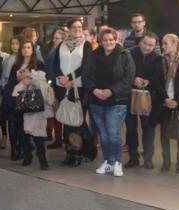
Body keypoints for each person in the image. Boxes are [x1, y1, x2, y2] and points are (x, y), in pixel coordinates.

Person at [83, 27, 135, 177]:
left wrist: (111, 91)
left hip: (117, 101)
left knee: (113, 133)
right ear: (101, 41)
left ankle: (116, 162)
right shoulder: (93, 55)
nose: (108, 42)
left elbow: (129, 78)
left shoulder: (124, 55)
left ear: (116, 40)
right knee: (104, 135)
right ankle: (108, 161)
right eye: (105, 40)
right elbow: (86, 76)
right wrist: (94, 90)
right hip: (96, 101)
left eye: (111, 39)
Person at [52, 18, 92, 166]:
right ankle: (69, 153)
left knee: (77, 122)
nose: (77, 29)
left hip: (78, 88)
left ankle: (78, 154)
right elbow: (55, 64)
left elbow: (86, 66)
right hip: (62, 87)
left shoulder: (86, 45)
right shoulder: (61, 45)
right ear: (69, 29)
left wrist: (69, 78)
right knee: (66, 122)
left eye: (79, 27)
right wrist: (61, 78)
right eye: (74, 27)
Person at [155, 34, 179, 173]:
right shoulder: (160, 61)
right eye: (162, 43)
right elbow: (157, 83)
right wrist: (166, 99)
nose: (163, 46)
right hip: (164, 102)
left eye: (166, 43)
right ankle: (166, 162)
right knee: (164, 134)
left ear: (175, 44)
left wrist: (177, 101)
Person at [125, 33, 162, 169]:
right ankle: (133, 157)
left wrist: (149, 81)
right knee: (131, 128)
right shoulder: (129, 54)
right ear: (141, 42)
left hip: (149, 97)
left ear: (155, 46)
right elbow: (123, 72)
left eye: (150, 45)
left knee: (148, 128)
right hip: (129, 96)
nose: (146, 47)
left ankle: (148, 158)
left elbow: (160, 78)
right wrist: (134, 78)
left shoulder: (158, 58)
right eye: (145, 43)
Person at [10, 40, 49, 168]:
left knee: (38, 130)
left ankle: (42, 158)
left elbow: (47, 81)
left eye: (28, 47)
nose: (26, 50)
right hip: (20, 100)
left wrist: (31, 78)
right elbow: (10, 83)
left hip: (35, 99)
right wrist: (19, 79)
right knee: (22, 130)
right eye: (24, 47)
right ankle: (27, 156)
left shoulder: (39, 64)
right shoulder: (16, 65)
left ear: (33, 50)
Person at [0, 36, 23, 159]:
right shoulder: (8, 59)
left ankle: (21, 148)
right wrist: (4, 90)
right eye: (12, 43)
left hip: (22, 93)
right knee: (11, 121)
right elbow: (4, 77)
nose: (14, 46)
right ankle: (14, 148)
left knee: (21, 122)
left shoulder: (24, 58)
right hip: (9, 93)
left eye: (17, 43)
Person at [45, 28, 67, 150]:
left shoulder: (63, 52)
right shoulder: (52, 51)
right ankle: (58, 138)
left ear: (63, 40)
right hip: (53, 85)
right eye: (54, 38)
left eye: (57, 38)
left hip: (61, 86)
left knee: (63, 113)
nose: (55, 40)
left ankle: (63, 138)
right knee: (56, 113)